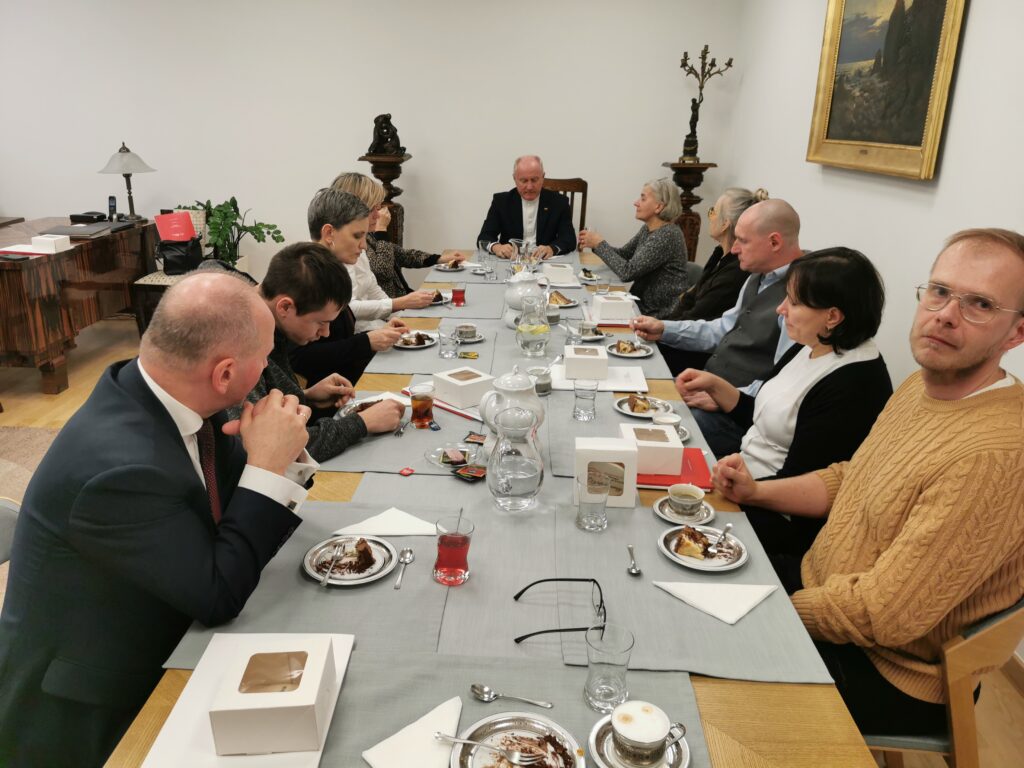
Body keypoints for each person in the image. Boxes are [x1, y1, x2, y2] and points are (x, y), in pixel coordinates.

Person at [713, 228, 1024, 736]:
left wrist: (764, 608)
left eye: (981, 304)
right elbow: (854, 478)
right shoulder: (920, 387)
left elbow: (885, 614)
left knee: (693, 667)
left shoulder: (993, 456)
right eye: (940, 291)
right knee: (682, 560)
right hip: (820, 586)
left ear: (1016, 333)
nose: (946, 314)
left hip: (886, 668)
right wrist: (757, 492)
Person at [0, 272, 314, 767]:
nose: (269, 369)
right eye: (265, 356)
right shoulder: (119, 473)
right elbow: (219, 595)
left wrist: (275, 454)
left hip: (161, 612)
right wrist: (269, 467)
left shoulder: (171, 390)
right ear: (225, 374)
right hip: (89, 708)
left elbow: (235, 505)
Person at [678, 247, 892, 568]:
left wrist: (743, 491)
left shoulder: (854, 382)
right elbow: (771, 417)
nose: (781, 309)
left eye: (793, 301)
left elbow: (807, 483)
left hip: (778, 516)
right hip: (747, 481)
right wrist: (717, 386)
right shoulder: (813, 344)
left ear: (832, 316)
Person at [634, 199, 803, 457]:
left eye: (742, 241)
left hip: (739, 415)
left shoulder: (801, 294)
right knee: (637, 394)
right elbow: (723, 329)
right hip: (711, 387)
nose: (734, 249)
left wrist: (727, 396)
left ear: (774, 242)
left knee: (651, 435)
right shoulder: (757, 277)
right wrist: (665, 329)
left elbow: (785, 381)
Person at [227, 242, 405, 461]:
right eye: (321, 322)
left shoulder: (266, 321)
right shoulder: (240, 347)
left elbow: (269, 412)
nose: (326, 332)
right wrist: (363, 423)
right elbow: (274, 447)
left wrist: (306, 396)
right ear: (285, 307)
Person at [290, 188, 407, 385]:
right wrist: (367, 341)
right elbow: (299, 358)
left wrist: (378, 333)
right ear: (329, 233)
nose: (364, 246)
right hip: (337, 389)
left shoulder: (332, 272)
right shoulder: (306, 278)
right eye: (357, 236)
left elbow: (339, 340)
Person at [661, 187, 770, 374]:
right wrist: (664, 327)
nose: (710, 216)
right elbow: (689, 299)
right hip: (684, 335)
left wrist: (664, 329)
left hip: (695, 353)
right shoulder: (720, 254)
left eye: (713, 211)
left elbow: (699, 317)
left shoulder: (738, 271)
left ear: (726, 223)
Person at [331, 171, 465, 298]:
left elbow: (401, 254)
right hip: (390, 307)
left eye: (378, 207)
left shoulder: (368, 234)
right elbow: (383, 271)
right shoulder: (350, 242)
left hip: (397, 302)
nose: (378, 214)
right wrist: (381, 230)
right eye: (373, 209)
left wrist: (438, 258)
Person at [578, 178, 689, 318]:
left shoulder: (666, 235)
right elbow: (624, 254)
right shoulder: (649, 229)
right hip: (641, 306)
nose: (636, 203)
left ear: (658, 207)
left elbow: (628, 272)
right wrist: (595, 244)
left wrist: (599, 244)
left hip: (655, 315)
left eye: (643, 199)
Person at [477, 155, 576, 259]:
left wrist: (552, 249)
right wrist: (496, 247)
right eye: (524, 181)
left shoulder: (559, 202)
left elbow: (569, 239)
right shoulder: (501, 202)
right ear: (515, 179)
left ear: (543, 177)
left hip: (544, 262)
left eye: (534, 180)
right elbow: (484, 237)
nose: (529, 187)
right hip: (511, 262)